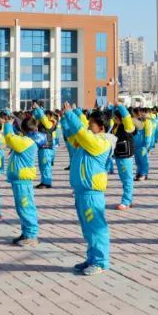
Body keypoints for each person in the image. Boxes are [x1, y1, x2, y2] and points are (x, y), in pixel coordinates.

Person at [59, 104, 114, 276]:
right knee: (87, 228)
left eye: (91, 124)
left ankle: (100, 261)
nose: (88, 127)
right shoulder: (88, 141)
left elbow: (82, 133)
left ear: (101, 128)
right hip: (82, 191)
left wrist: (71, 114)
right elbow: (72, 137)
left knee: (96, 227)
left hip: (92, 192)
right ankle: (92, 258)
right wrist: (65, 119)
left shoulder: (102, 142)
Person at [6, 114, 42, 247]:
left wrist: (8, 124)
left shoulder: (26, 142)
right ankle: (26, 232)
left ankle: (32, 235)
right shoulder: (25, 140)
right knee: (22, 208)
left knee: (26, 207)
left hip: (23, 180)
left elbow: (9, 138)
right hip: (19, 179)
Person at [110, 102, 136, 210]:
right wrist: (113, 107)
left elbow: (127, 117)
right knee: (124, 179)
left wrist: (120, 106)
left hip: (126, 157)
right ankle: (127, 200)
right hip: (118, 156)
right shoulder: (115, 127)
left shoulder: (127, 127)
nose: (114, 119)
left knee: (127, 179)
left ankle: (126, 201)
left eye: (116, 118)